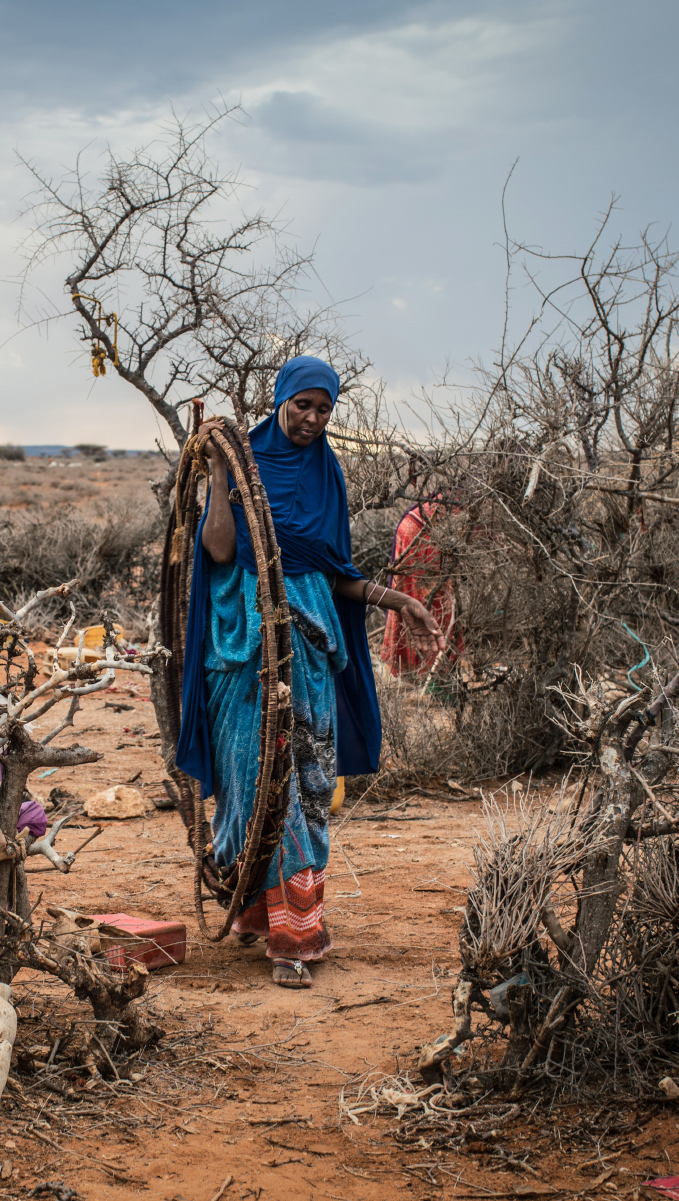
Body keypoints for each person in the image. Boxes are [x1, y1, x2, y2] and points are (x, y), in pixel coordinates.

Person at [177, 356, 442, 988]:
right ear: (281, 402)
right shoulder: (245, 461)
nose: (313, 419)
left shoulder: (327, 474)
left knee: (307, 785)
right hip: (241, 646)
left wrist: (398, 600)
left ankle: (296, 931)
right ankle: (258, 915)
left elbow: (335, 571)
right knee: (251, 780)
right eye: (303, 406)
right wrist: (220, 474)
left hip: (311, 652)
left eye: (324, 410)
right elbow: (218, 550)